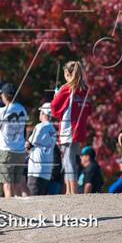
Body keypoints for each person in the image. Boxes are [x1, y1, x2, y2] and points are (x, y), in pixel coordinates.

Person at [51, 61, 90, 194]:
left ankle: (73, 191)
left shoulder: (66, 88)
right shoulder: (84, 89)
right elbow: (88, 110)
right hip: (79, 129)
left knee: (68, 161)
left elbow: (54, 108)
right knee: (69, 159)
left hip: (68, 129)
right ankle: (69, 190)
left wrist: (56, 96)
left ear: (68, 74)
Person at [0, 83, 27, 198]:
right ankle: (21, 210)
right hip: (20, 151)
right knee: (17, 185)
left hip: (6, 151)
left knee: (7, 185)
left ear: (4, 96)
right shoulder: (22, 109)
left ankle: (12, 212)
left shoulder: (3, 110)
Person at [25, 102, 57, 196]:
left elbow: (28, 145)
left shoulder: (40, 126)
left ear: (43, 113)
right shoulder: (53, 129)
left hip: (36, 170)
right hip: (47, 172)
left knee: (34, 201)